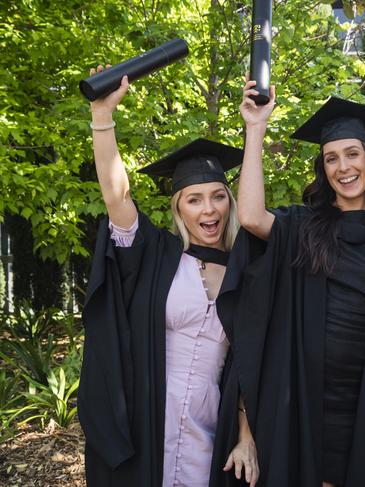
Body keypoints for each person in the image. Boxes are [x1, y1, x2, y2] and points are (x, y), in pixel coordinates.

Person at [212, 81, 365, 487]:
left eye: (352, 154)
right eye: (331, 159)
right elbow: (251, 216)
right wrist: (255, 129)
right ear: (322, 169)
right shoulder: (304, 226)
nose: (343, 167)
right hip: (302, 397)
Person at [78, 66, 258, 487]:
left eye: (217, 197)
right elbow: (117, 195)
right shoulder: (156, 255)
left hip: (211, 425)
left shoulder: (246, 270)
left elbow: (251, 361)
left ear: (229, 203)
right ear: (178, 209)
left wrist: (247, 436)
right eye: (194, 200)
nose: (208, 210)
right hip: (148, 415)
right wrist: (102, 118)